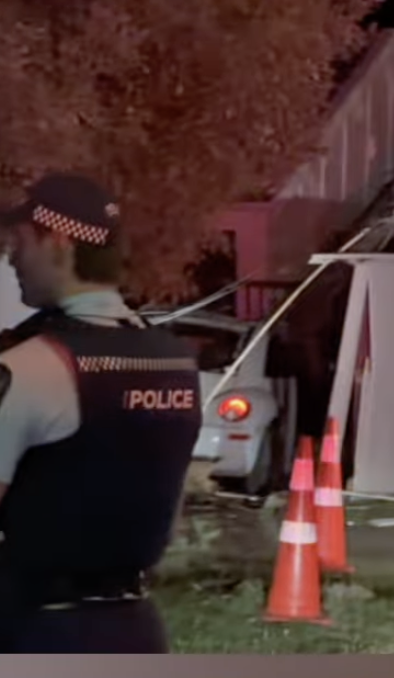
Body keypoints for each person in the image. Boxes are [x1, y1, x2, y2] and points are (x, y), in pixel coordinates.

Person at [0, 172, 202, 653]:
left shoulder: (32, 367)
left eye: (19, 242)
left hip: (39, 630)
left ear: (58, 242)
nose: (10, 257)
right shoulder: (176, 361)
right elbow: (167, 517)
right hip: (136, 630)